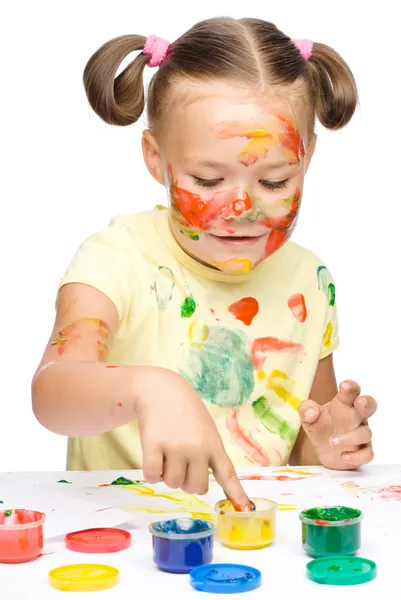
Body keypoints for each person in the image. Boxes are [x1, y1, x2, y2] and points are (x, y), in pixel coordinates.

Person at [32, 17, 377, 510]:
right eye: (209, 181)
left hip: (255, 547)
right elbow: (52, 394)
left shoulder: (310, 281)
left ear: (309, 157)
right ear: (157, 159)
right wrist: (149, 389)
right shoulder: (116, 260)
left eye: (275, 181)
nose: (241, 209)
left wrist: (327, 445)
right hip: (126, 546)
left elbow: (302, 447)